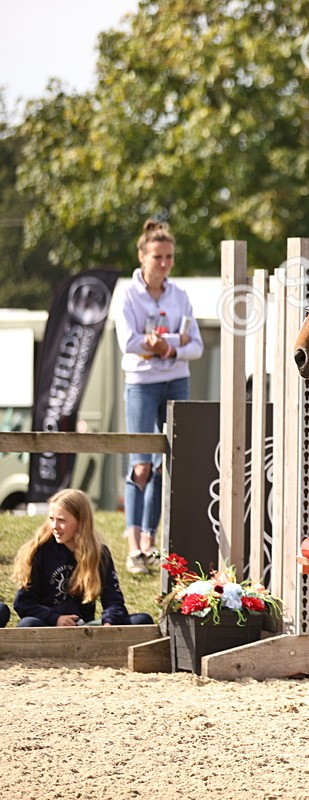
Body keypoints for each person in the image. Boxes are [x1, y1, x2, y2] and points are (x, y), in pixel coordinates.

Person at [117, 220, 204, 574]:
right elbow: (127, 341)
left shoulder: (179, 295)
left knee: (167, 463)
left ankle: (150, 544)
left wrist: (167, 348)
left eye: (169, 256)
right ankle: (133, 546)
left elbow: (196, 346)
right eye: (157, 256)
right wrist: (169, 343)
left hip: (176, 381)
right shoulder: (128, 294)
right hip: (141, 383)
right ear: (142, 256)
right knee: (141, 465)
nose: (164, 263)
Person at [11, 489, 154, 627]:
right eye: (51, 519)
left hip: (85, 628)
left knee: (142, 620)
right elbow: (23, 603)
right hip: (49, 625)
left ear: (80, 521)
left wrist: (109, 623)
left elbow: (114, 602)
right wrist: (56, 619)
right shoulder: (40, 550)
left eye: (61, 520)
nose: (54, 526)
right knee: (27, 624)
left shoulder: (100, 553)